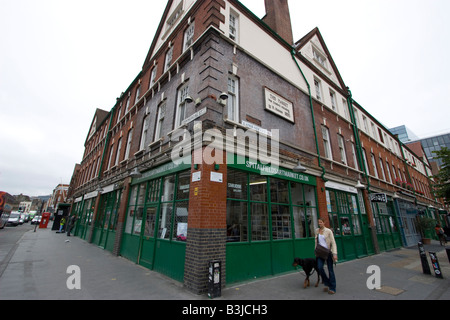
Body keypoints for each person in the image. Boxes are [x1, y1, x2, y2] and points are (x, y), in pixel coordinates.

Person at [315, 218, 338, 294]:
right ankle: (327, 282)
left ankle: (332, 287)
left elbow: (333, 243)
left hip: (328, 252)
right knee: (319, 267)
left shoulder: (328, 231)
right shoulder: (317, 231)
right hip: (320, 253)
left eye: (321, 222)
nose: (319, 223)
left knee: (330, 270)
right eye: (318, 222)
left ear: (324, 223)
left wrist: (334, 254)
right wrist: (315, 250)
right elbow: (316, 242)